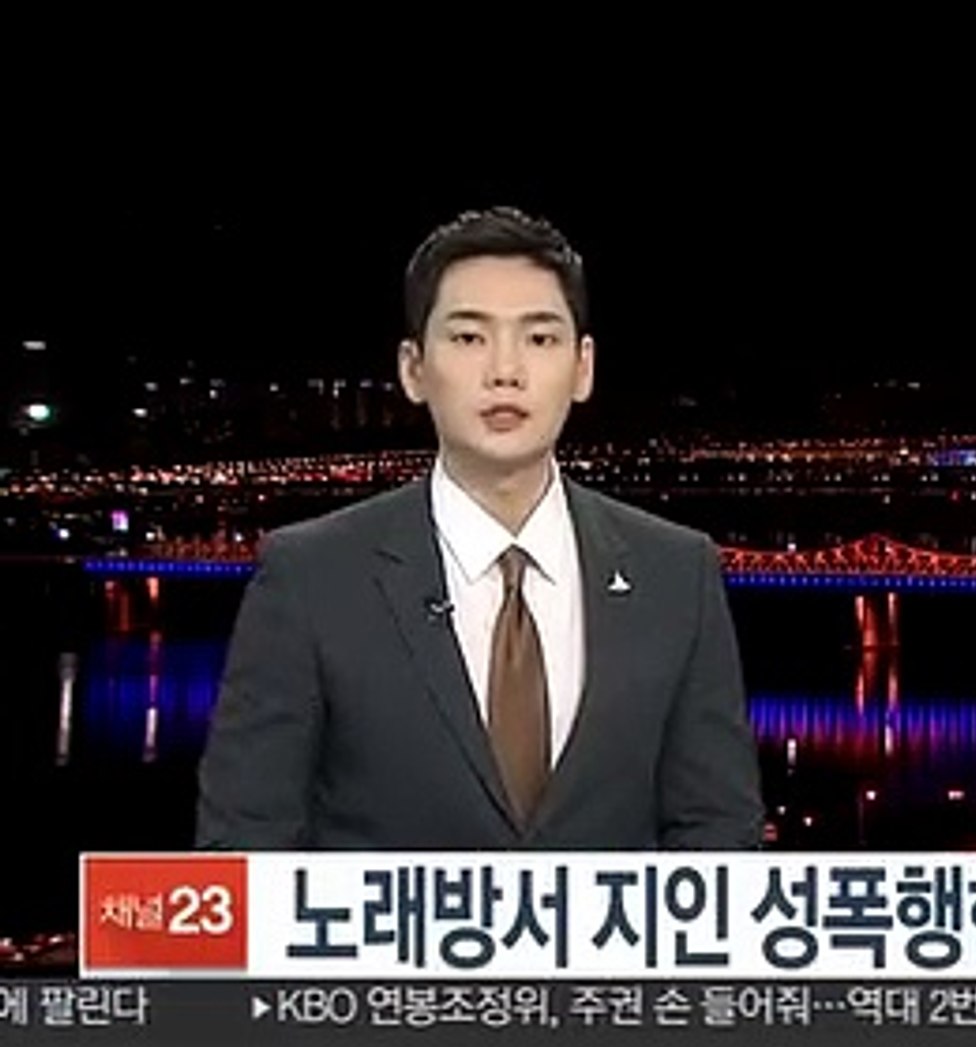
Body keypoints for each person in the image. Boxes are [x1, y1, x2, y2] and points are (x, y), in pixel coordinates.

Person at [196, 207, 765, 850]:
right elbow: (244, 845)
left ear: (583, 368)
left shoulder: (677, 574)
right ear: (413, 368)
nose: (505, 371)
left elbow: (718, 832)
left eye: (539, 339)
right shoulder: (311, 576)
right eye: (469, 338)